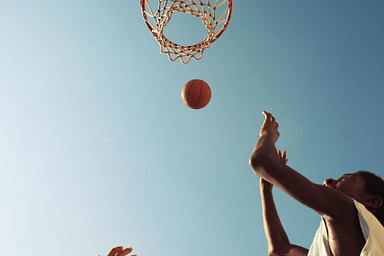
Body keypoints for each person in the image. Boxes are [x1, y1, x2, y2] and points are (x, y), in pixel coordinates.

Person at [249, 111, 384, 256]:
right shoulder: (328, 245)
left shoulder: (347, 209)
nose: (328, 181)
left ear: (372, 201)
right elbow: (278, 249)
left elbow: (260, 161)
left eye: (346, 178)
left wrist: (268, 134)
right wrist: (266, 187)